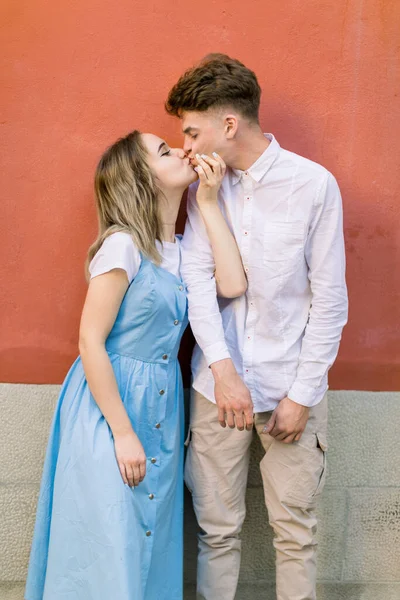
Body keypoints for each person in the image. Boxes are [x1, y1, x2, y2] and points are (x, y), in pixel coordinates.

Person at [24, 130, 246, 600]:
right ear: (141, 178)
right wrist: (122, 433)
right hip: (110, 408)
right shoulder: (123, 245)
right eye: (164, 151)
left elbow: (231, 282)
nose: (183, 150)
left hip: (161, 410)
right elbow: (90, 340)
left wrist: (207, 202)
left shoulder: (182, 248)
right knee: (108, 540)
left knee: (149, 541)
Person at [166, 54, 348, 600]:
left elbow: (330, 300)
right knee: (216, 533)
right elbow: (199, 282)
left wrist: (303, 393)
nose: (187, 146)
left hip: (291, 385)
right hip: (214, 387)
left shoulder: (314, 186)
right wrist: (222, 371)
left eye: (192, 131)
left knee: (295, 535)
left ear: (229, 124)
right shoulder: (206, 190)